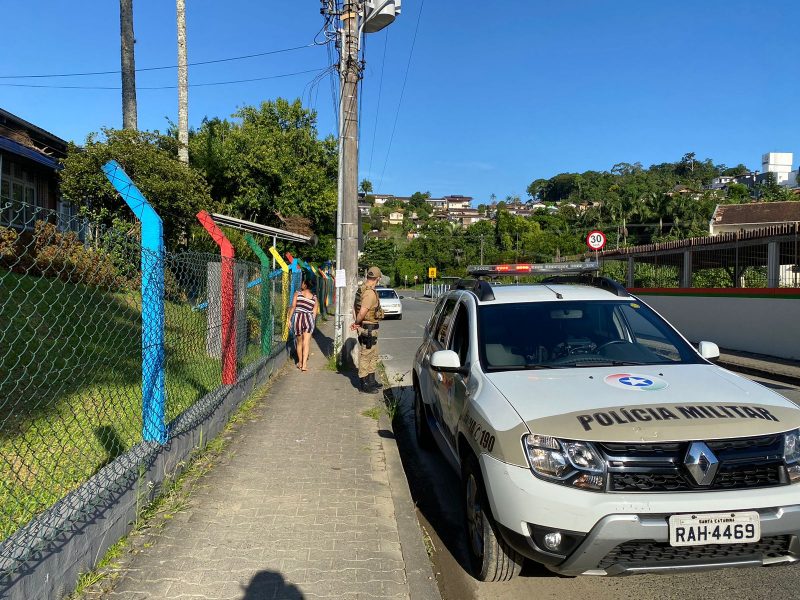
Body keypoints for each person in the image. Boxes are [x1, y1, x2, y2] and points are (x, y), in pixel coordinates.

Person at [351, 266, 384, 393]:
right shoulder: (369, 293)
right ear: (378, 278)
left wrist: (357, 323)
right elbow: (362, 312)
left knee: (373, 355)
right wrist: (357, 322)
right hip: (369, 329)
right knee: (366, 355)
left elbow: (354, 308)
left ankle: (371, 380)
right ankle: (364, 384)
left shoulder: (362, 290)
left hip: (370, 328)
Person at [289, 278, 319, 371]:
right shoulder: (314, 298)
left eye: (302, 283)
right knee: (306, 342)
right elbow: (314, 313)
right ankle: (305, 365)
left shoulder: (297, 294)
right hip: (308, 320)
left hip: (298, 319)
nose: (301, 284)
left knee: (299, 342)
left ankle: (300, 363)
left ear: (305, 284)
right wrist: (312, 323)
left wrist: (289, 319)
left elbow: (293, 307)